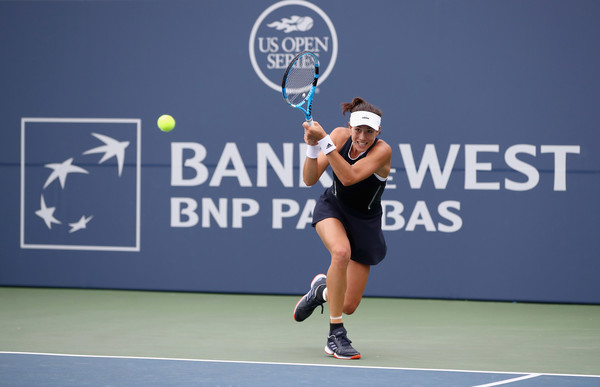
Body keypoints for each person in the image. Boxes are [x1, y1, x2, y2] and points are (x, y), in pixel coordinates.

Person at [293, 97, 392, 360]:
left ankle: (321, 291)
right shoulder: (338, 136)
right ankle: (335, 336)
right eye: (357, 129)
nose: (362, 136)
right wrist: (313, 148)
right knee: (340, 252)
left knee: (348, 304)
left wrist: (323, 140)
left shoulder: (383, 152)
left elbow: (348, 177)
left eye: (369, 131)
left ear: (378, 132)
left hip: (365, 223)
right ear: (349, 126)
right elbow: (309, 179)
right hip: (333, 208)